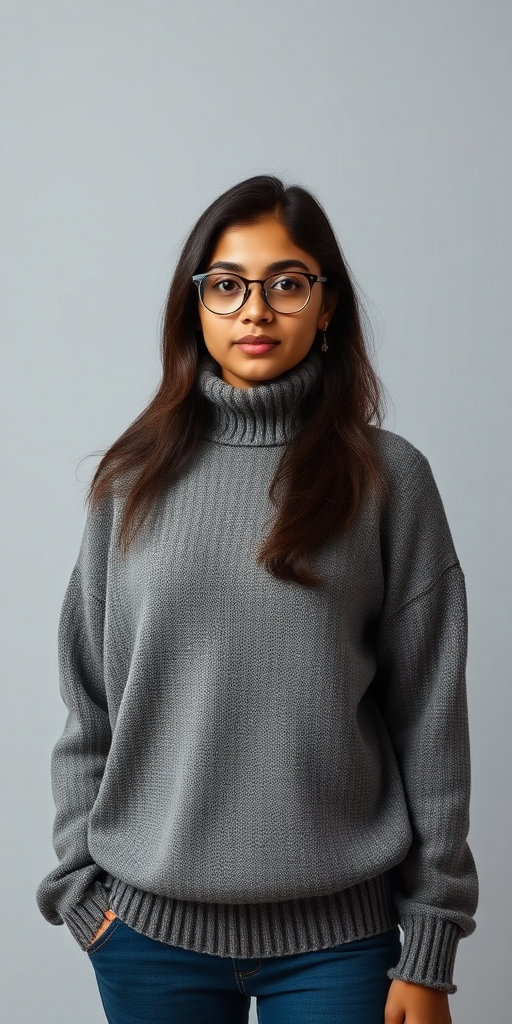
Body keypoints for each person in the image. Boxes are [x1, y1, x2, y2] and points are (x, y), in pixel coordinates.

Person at [36, 174, 478, 1024]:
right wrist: (81, 892)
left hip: (341, 944)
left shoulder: (391, 481)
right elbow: (90, 705)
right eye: (228, 285)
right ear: (195, 305)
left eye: (287, 282)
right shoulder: (131, 482)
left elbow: (431, 725)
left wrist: (430, 940)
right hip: (146, 938)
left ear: (327, 305)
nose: (255, 310)